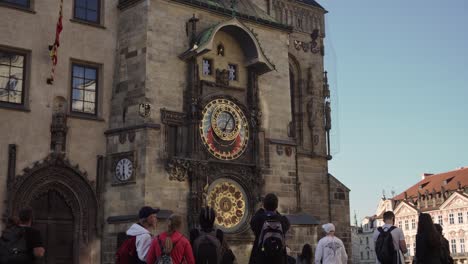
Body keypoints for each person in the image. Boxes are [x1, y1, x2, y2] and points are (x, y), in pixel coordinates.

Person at [249, 193, 290, 264]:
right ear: (276, 206)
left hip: (261, 258)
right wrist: (275, 212)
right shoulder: (283, 220)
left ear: (264, 205)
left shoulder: (259, 219)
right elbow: (286, 225)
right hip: (278, 259)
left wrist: (261, 209)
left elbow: (252, 222)